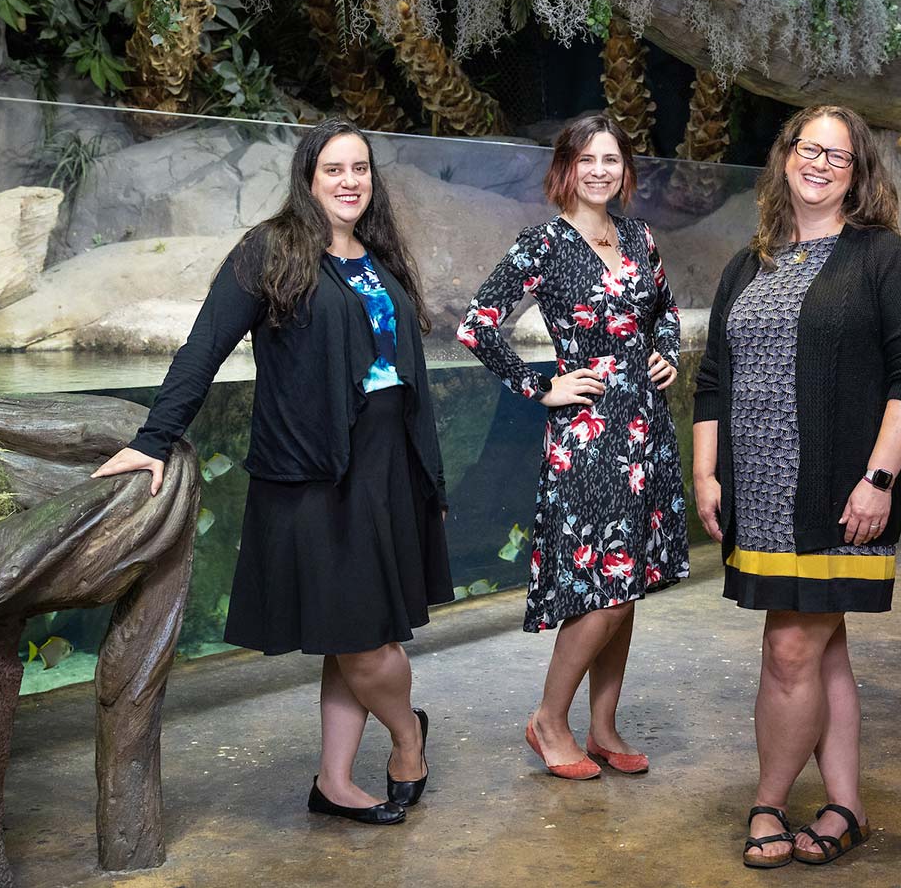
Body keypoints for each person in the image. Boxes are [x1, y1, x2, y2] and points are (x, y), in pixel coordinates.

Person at [93, 119, 450, 826]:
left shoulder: (380, 257)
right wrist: (154, 438)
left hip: (386, 469)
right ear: (308, 177)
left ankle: (336, 780)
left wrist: (426, 478)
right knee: (361, 638)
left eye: (361, 168)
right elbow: (205, 347)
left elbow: (408, 378)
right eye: (334, 169)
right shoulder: (272, 248)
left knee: (351, 631)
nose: (350, 181)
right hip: (315, 475)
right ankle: (409, 734)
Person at [693, 105, 901, 868]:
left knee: (791, 649)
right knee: (823, 650)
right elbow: (711, 380)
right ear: (786, 156)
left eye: (840, 155)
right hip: (759, 501)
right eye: (810, 148)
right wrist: (705, 470)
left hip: (840, 495)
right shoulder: (750, 261)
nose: (822, 163)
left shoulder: (881, 257)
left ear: (859, 171)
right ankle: (847, 806)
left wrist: (879, 479)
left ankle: (767, 799)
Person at [457, 115, 688, 780]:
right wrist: (541, 384)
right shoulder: (544, 244)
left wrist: (665, 352)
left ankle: (604, 726)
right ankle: (548, 719)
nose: (599, 170)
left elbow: (665, 308)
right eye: (587, 158)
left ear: (624, 169)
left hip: (647, 431)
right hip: (588, 438)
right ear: (567, 166)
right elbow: (477, 324)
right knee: (606, 589)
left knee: (631, 582)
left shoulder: (641, 237)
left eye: (611, 159)